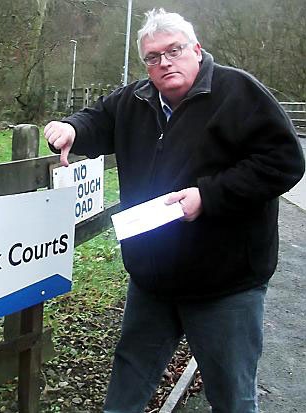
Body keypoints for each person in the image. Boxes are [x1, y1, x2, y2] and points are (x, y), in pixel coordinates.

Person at [44, 8, 305, 413]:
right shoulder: (135, 100)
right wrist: (72, 127)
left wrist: (208, 196)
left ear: (196, 50)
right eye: (153, 57)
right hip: (152, 279)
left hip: (225, 284)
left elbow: (284, 162)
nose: (164, 62)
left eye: (174, 50)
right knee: (128, 383)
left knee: (233, 397)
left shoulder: (238, 94)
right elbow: (98, 118)